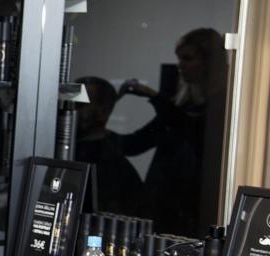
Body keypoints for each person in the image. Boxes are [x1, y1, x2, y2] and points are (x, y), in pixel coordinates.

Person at [118, 28, 228, 236]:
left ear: (209, 62)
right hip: (162, 203)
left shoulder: (221, 107)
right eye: (180, 59)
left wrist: (155, 97)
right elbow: (136, 143)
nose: (181, 67)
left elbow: (195, 133)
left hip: (193, 207)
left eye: (188, 58)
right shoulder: (182, 106)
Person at [73, 76, 144, 215]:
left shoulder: (111, 167)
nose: (69, 111)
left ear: (103, 112)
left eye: (79, 105)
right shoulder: (58, 150)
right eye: (68, 103)